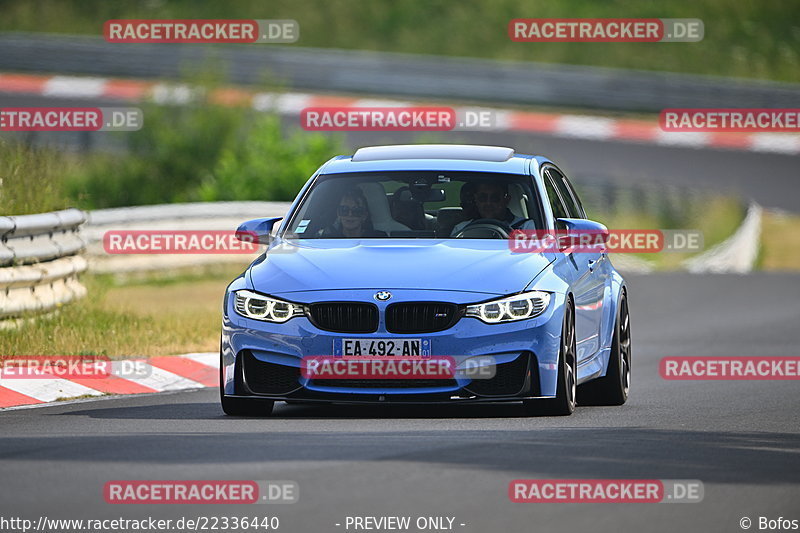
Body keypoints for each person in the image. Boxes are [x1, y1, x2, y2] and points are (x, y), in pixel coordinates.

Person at [450, 181, 535, 236]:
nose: (488, 203)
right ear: (476, 200)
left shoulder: (526, 228)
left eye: (495, 198)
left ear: (506, 200)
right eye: (482, 198)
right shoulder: (461, 230)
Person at [317, 187, 387, 238]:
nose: (350, 214)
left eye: (356, 211)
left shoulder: (379, 238)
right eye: (344, 210)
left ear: (364, 216)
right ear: (338, 213)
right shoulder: (327, 240)